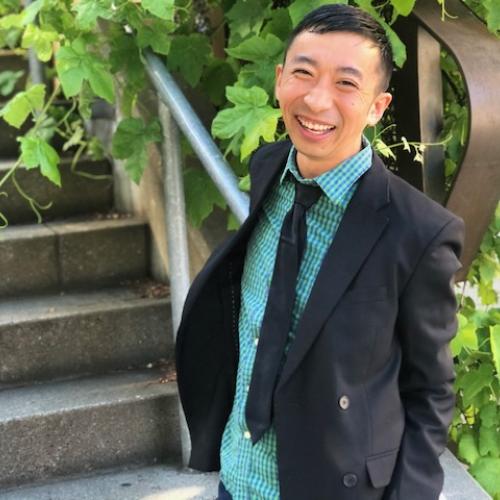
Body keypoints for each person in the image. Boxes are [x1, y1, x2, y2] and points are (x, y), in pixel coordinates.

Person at [176, 4, 464, 500]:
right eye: (303, 74)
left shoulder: (419, 232)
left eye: (347, 84)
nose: (316, 100)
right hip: (237, 477)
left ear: (377, 106)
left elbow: (431, 391)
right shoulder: (269, 168)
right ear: (280, 78)